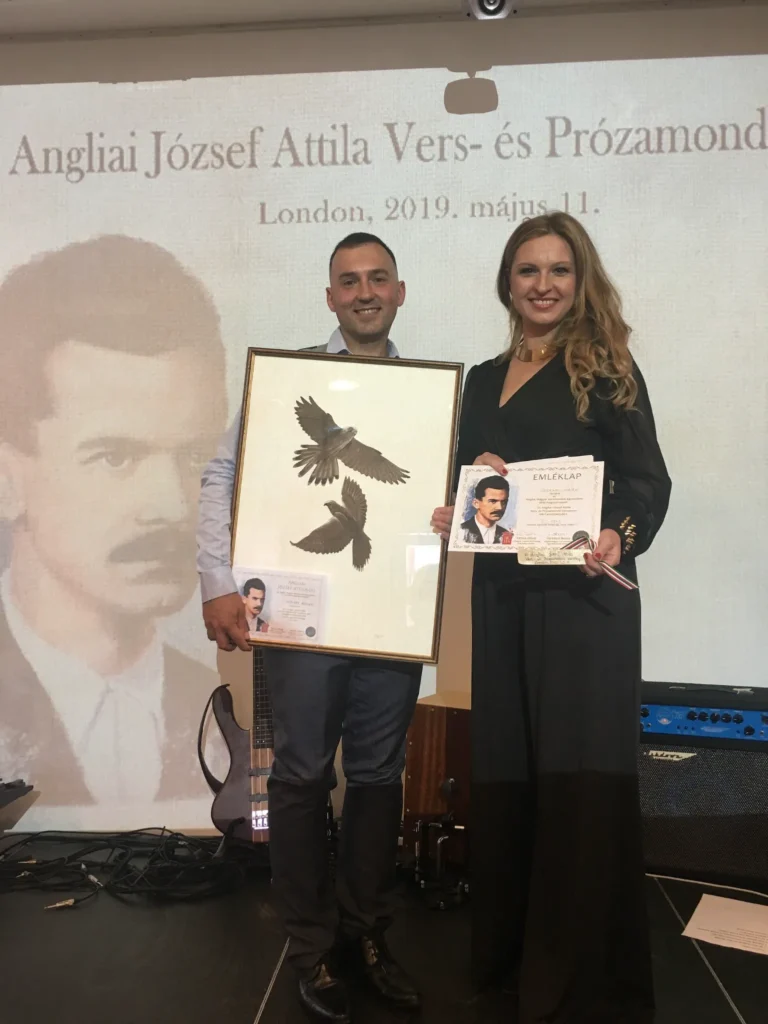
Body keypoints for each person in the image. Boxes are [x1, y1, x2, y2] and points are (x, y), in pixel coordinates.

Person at [431, 212, 671, 1024]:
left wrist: (617, 532)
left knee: (575, 781)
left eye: (559, 270)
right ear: (507, 282)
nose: (543, 284)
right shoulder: (480, 378)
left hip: (582, 601)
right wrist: (459, 499)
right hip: (502, 596)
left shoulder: (607, 370)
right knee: (509, 770)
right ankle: (512, 962)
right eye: (528, 270)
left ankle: (580, 982)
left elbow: (647, 482)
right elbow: (471, 485)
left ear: (580, 279)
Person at [197, 232, 422, 1023]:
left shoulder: (425, 397)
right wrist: (217, 581)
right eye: (348, 281)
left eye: (377, 279)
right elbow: (224, 472)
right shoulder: (289, 376)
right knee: (298, 778)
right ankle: (311, 947)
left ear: (399, 292)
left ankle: (365, 934)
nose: (364, 292)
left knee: (378, 777)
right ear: (330, 297)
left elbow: (428, 494)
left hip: (389, 616)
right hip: (299, 615)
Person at [0, 236, 226, 817]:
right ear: (7, 478)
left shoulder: (221, 709)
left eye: (194, 457)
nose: (173, 506)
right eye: (115, 456)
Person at [461, 475, 511, 545]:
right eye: (493, 501)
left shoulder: (507, 535)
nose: (499, 507)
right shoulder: (461, 532)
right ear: (476, 503)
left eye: (504, 502)